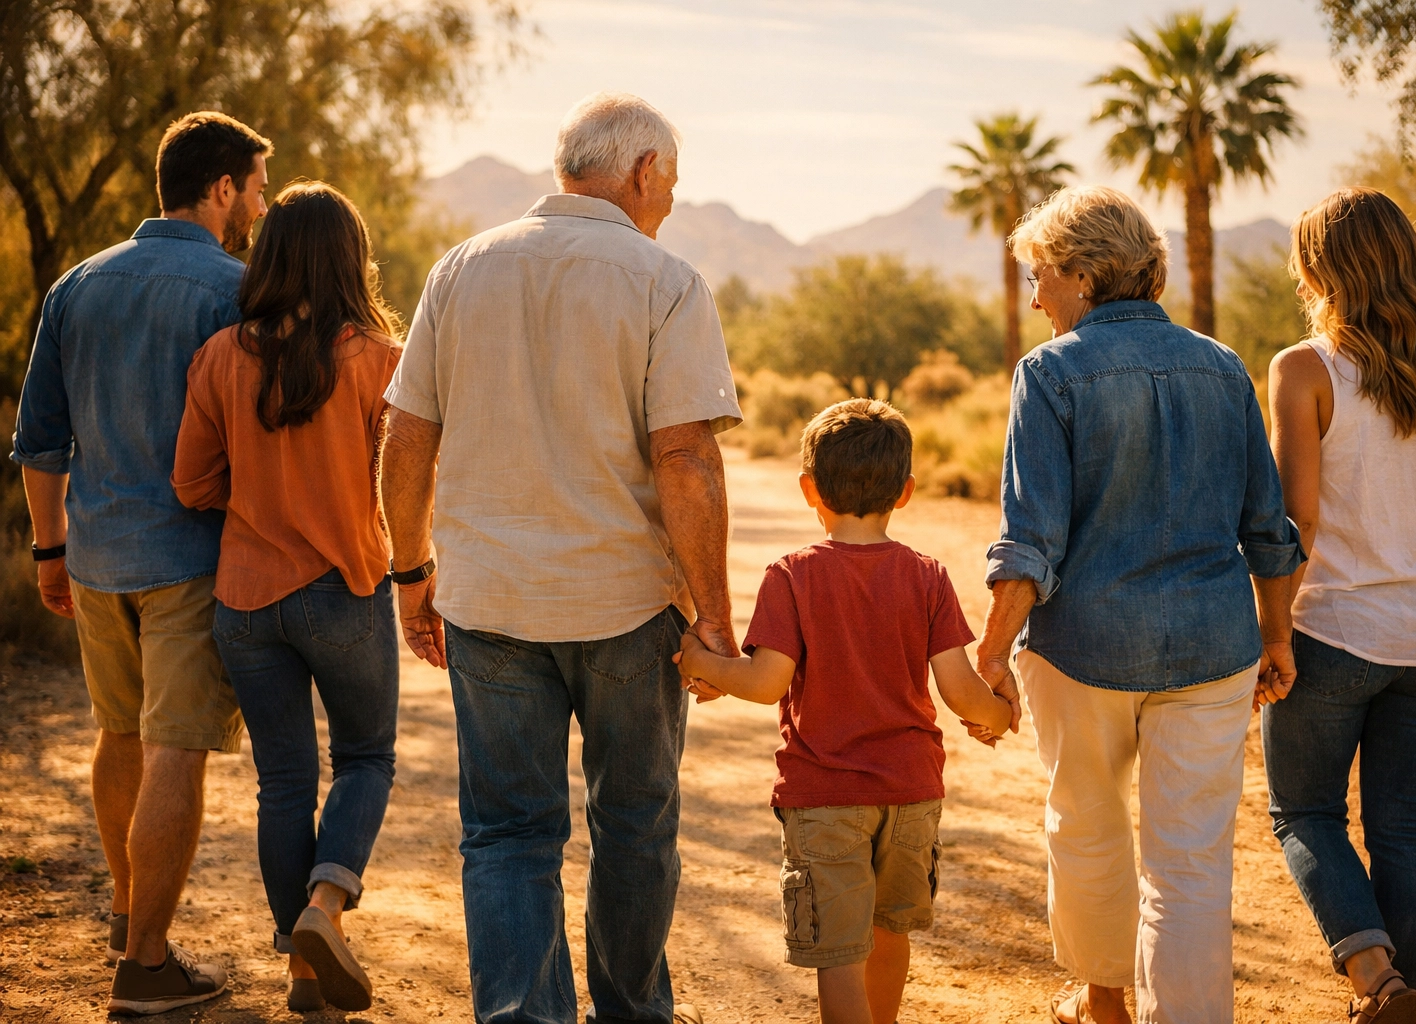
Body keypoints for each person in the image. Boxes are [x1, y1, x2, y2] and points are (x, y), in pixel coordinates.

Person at [378, 91, 741, 1024]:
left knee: (505, 836)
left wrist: (412, 573)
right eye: (670, 183)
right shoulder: (664, 281)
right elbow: (687, 458)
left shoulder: (460, 270)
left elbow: (407, 435)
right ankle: (629, 1011)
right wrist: (714, 615)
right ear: (644, 172)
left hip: (489, 604)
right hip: (627, 608)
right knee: (634, 826)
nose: (667, 201)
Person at [970, 185, 1304, 1024]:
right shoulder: (1222, 366)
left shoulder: (1049, 373)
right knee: (1189, 863)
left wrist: (989, 654)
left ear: (1083, 275)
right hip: (1213, 649)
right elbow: (1267, 524)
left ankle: (1105, 1001)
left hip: (1084, 651)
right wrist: (1275, 635)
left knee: (1086, 827)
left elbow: (1031, 539)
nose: (1036, 295)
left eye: (1042, 275)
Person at [11, 111, 270, 1015]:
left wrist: (50, 550)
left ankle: (129, 914)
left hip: (93, 557)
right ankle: (147, 966)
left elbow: (39, 440)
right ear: (223, 188)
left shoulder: (77, 286)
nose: (259, 207)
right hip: (189, 561)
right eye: (256, 189)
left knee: (119, 733)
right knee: (174, 749)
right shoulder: (234, 289)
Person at [675, 399, 1013, 1024]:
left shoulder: (793, 575)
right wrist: (996, 714)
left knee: (838, 951)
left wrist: (704, 664)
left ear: (809, 490)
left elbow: (767, 682)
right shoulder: (928, 576)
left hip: (826, 796)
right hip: (911, 795)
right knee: (889, 934)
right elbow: (959, 690)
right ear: (906, 492)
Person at [1262, 187, 1416, 1024]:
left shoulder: (1305, 369)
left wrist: (1271, 632)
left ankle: (1379, 980)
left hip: (1331, 630)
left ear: (1317, 268)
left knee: (1304, 811)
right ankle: (1406, 997)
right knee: (1404, 826)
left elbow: (1299, 519)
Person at [171, 181, 403, 1014]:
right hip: (345, 591)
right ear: (351, 259)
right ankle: (323, 911)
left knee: (283, 782)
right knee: (367, 759)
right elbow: (408, 486)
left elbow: (191, 484)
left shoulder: (220, 356)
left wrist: (258, 486)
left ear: (267, 257)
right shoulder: (378, 360)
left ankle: (305, 972)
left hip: (245, 599)